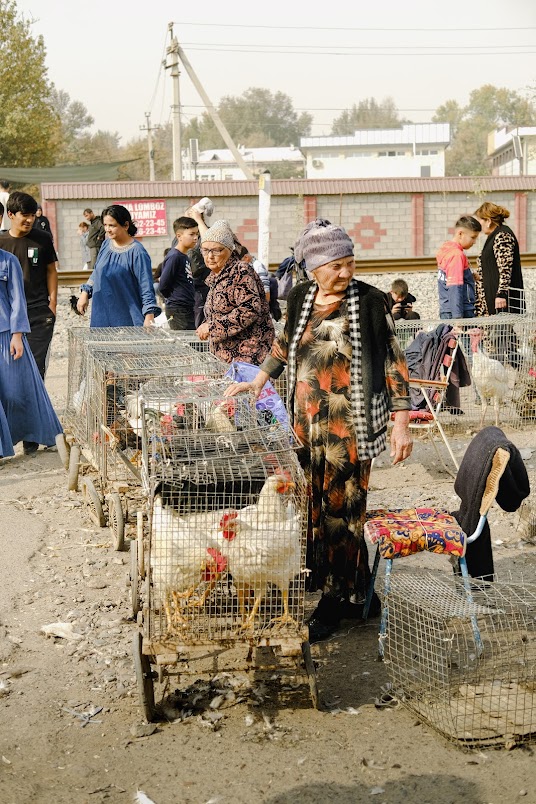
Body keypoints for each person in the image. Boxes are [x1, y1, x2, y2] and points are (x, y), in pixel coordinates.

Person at [225, 218, 412, 642]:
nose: (346, 273)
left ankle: (335, 601)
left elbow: (394, 363)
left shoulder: (370, 302)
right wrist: (258, 380)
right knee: (311, 506)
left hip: (350, 427)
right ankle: (360, 589)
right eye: (337, 266)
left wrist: (402, 423)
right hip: (306, 424)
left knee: (341, 512)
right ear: (312, 268)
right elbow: (284, 344)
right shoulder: (300, 297)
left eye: (350, 263)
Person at [0, 239, 63, 457]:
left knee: (17, 392)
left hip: (6, 335)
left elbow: (17, 299)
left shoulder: (8, 261)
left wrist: (17, 334)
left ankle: (35, 435)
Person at [196, 220, 275, 365]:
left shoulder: (240, 270)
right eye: (205, 250)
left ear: (229, 250)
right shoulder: (216, 277)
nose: (210, 256)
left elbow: (249, 309)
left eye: (216, 250)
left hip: (247, 355)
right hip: (226, 358)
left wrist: (212, 327)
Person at [0, 192, 58, 386]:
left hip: (39, 312)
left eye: (32, 215)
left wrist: (53, 304)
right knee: (12, 368)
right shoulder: (2, 243)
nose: (30, 219)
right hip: (9, 315)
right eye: (25, 215)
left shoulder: (42, 238)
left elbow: (51, 271)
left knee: (35, 366)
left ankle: (36, 411)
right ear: (11, 215)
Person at [77, 205, 160, 327]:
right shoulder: (105, 245)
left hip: (126, 317)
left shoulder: (137, 252)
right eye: (105, 225)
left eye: (112, 225)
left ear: (126, 225)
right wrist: (85, 293)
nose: (107, 229)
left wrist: (149, 315)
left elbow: (146, 286)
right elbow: (97, 272)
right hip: (102, 314)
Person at [473, 202, 524, 316]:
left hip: (501, 302)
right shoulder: (493, 236)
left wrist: (501, 294)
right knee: (500, 332)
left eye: (480, 221)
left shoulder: (502, 236)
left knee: (502, 332)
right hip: (493, 300)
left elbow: (505, 268)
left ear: (488, 221)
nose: (478, 225)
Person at [436, 216, 481, 320]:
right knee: (462, 337)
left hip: (447, 308)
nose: (474, 242)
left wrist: (469, 276)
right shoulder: (456, 255)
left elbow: (449, 277)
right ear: (460, 234)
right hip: (460, 311)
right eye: (473, 237)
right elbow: (454, 287)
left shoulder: (445, 249)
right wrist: (458, 319)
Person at [158, 216, 199, 330]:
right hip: (178, 310)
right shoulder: (174, 257)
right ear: (179, 236)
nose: (195, 238)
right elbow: (163, 286)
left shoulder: (184, 256)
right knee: (187, 344)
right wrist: (175, 300)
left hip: (187, 307)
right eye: (192, 234)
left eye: (197, 234)